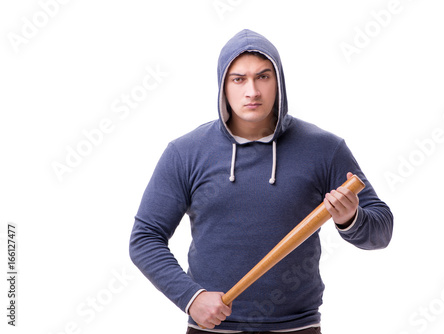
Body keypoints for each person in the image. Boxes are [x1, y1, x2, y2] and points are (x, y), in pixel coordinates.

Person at [129, 29, 393, 333]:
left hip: (298, 327)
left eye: (263, 77)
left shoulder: (324, 149)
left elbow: (381, 231)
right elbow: (145, 238)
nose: (252, 91)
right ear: (223, 86)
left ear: (278, 82)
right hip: (211, 327)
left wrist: (351, 218)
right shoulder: (185, 153)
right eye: (239, 79)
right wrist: (191, 297)